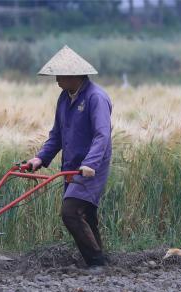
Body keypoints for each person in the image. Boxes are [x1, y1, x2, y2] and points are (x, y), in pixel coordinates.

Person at [24, 45, 112, 269]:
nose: (56, 81)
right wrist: (39, 159)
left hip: (91, 168)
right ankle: (101, 260)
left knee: (70, 212)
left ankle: (96, 263)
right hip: (71, 166)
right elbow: (57, 136)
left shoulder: (96, 98)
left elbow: (102, 135)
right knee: (86, 214)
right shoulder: (64, 98)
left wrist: (90, 164)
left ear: (75, 75)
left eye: (59, 76)